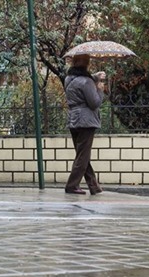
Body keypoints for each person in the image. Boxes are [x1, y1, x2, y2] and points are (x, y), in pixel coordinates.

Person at [63, 54, 104, 195]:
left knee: (82, 154)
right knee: (83, 156)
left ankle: (93, 186)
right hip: (86, 120)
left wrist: (95, 77)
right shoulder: (86, 82)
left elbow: (81, 80)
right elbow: (95, 103)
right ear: (87, 64)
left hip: (73, 118)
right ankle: (72, 185)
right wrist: (99, 88)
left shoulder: (69, 79)